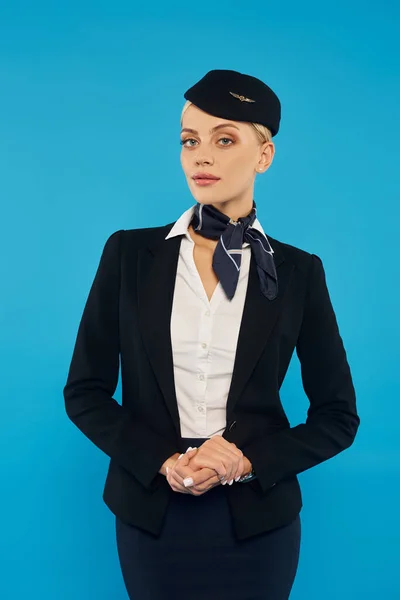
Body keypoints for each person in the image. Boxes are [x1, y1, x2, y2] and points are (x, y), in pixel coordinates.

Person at [63, 69, 360, 600]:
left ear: (264, 155)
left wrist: (248, 462)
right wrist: (161, 459)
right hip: (150, 511)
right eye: (189, 141)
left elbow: (338, 417)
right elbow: (84, 392)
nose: (202, 156)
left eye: (225, 140)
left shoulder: (298, 271)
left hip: (258, 519)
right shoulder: (129, 255)